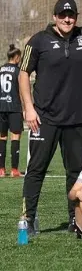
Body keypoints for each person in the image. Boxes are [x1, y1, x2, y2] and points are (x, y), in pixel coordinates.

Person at [20, 0, 82, 230]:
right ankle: (28, 218)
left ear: (76, 16)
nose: (67, 19)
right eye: (62, 15)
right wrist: (29, 108)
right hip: (44, 118)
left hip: (78, 119)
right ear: (54, 17)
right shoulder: (38, 41)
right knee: (36, 170)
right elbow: (23, 73)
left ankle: (75, 218)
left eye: (71, 15)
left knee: (76, 172)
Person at [0, 44, 23, 178]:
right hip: (14, 107)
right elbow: (21, 91)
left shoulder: (0, 69)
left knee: (2, 137)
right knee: (15, 136)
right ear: (16, 57)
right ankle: (14, 170)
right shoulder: (18, 71)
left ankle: (1, 170)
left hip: (1, 107)